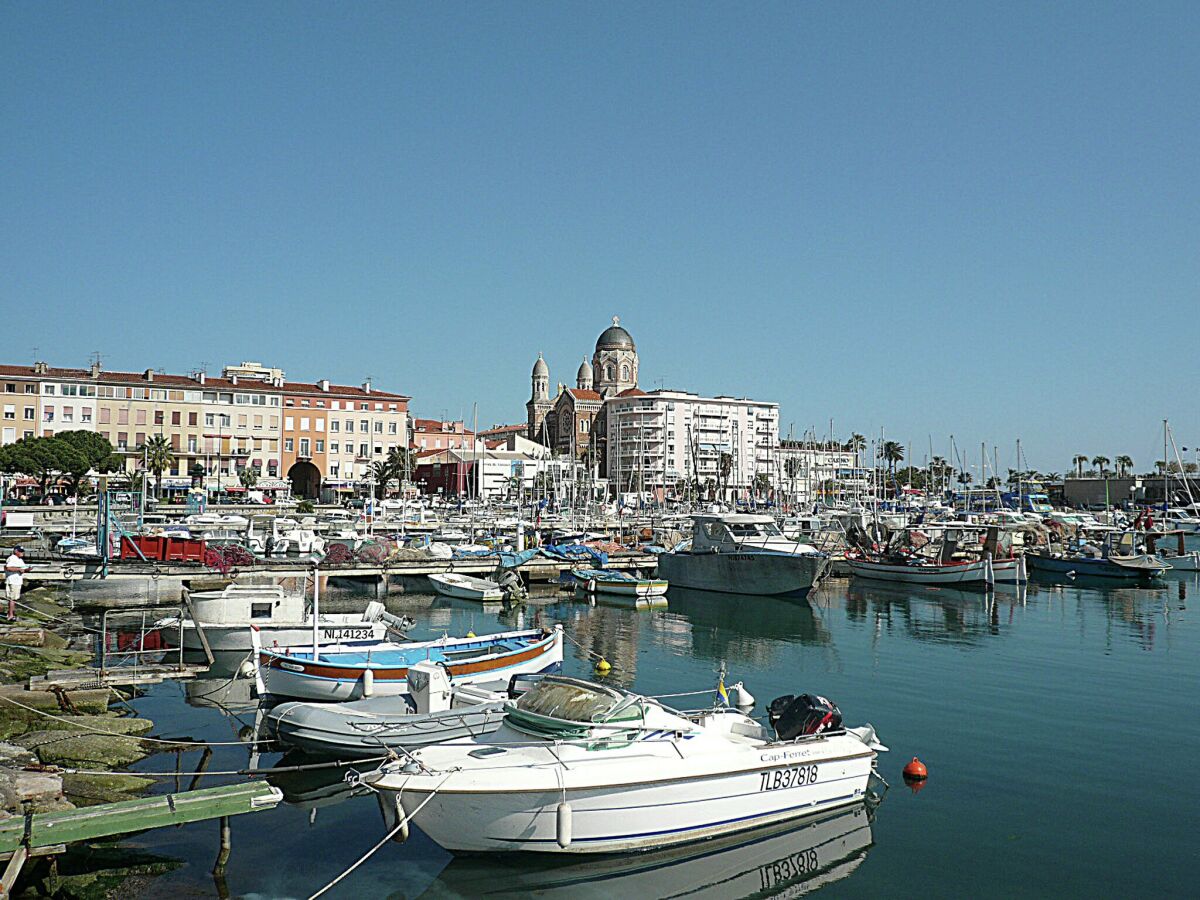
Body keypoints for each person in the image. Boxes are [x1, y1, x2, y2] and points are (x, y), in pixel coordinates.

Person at [5, 545, 28, 620]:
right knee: (13, 599)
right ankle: (11, 615)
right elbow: (8, 567)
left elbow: (23, 569)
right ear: (16, 551)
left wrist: (28, 569)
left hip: (16, 581)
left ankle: (10, 613)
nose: (22, 553)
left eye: (22, 551)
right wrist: (19, 569)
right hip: (14, 581)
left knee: (11, 598)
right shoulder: (12, 558)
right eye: (20, 551)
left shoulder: (20, 559)